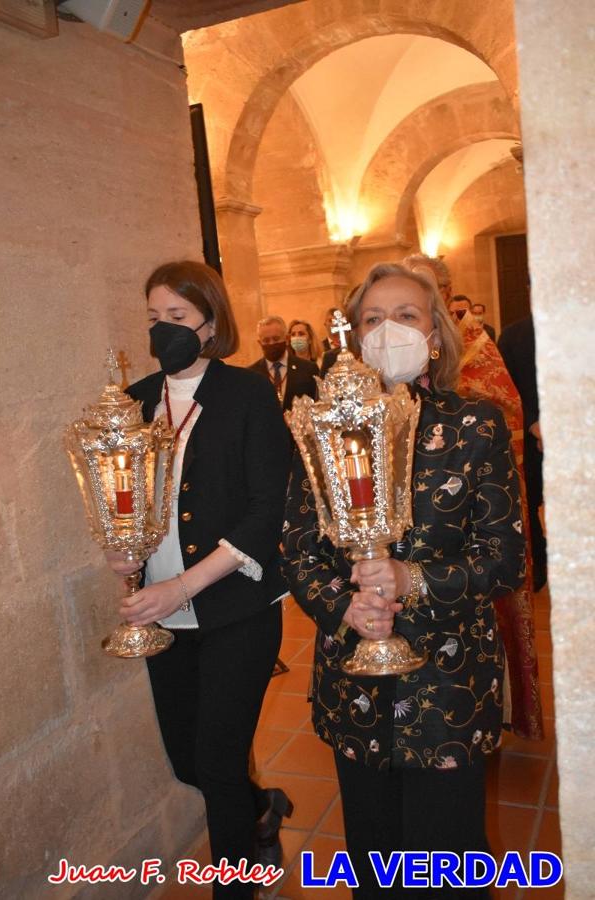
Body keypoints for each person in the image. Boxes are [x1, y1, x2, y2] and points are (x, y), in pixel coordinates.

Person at [283, 263, 526, 898]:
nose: (388, 330)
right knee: (374, 860)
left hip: (448, 682)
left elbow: (506, 558)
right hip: (355, 679)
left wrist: (410, 577)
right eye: (372, 319)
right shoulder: (328, 427)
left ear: (436, 335)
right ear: (355, 336)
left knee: (450, 862)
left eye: (406, 315)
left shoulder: (475, 424)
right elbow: (299, 546)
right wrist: (345, 609)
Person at [104, 261, 293, 896]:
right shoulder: (134, 401)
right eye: (154, 317)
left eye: (177, 318)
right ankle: (262, 809)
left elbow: (268, 508)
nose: (163, 331)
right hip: (163, 615)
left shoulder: (247, 393)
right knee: (189, 762)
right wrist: (121, 551)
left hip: (234, 607)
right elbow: (124, 497)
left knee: (215, 762)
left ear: (209, 324)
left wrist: (183, 587)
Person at [405, 255, 543, 741]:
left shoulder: (477, 347)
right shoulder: (388, 354)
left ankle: (484, 709)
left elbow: (507, 412)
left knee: (469, 612)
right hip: (410, 512)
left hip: (468, 507)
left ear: (444, 290)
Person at [498, 313, 547, 591]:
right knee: (529, 502)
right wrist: (534, 424)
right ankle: (538, 564)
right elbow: (506, 390)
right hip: (529, 439)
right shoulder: (513, 335)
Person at [250, 315, 318, 411]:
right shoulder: (252, 374)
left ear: (286, 339)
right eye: (266, 340)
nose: (271, 343)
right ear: (259, 343)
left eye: (276, 339)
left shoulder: (308, 369)